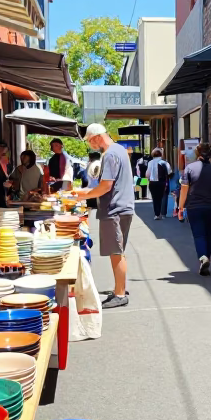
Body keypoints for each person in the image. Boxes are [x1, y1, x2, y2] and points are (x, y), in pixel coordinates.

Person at [70, 123, 134, 308]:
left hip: (114, 208)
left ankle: (120, 294)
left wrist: (83, 194)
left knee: (116, 252)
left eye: (90, 141)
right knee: (118, 251)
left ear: (97, 136)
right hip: (122, 207)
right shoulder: (119, 150)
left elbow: (106, 185)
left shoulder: (111, 154)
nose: (91, 145)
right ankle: (119, 288)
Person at [177, 142, 211, 276]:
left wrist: (180, 207)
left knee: (199, 234)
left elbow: (184, 189)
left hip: (195, 206)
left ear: (197, 154)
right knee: (210, 233)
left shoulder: (189, 168)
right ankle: (207, 260)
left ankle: (203, 257)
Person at [146, 148, 172, 220]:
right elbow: (169, 172)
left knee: (155, 198)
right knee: (161, 197)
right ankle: (162, 213)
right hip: (162, 182)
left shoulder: (150, 162)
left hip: (152, 183)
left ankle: (157, 214)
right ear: (161, 154)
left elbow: (147, 174)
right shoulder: (164, 163)